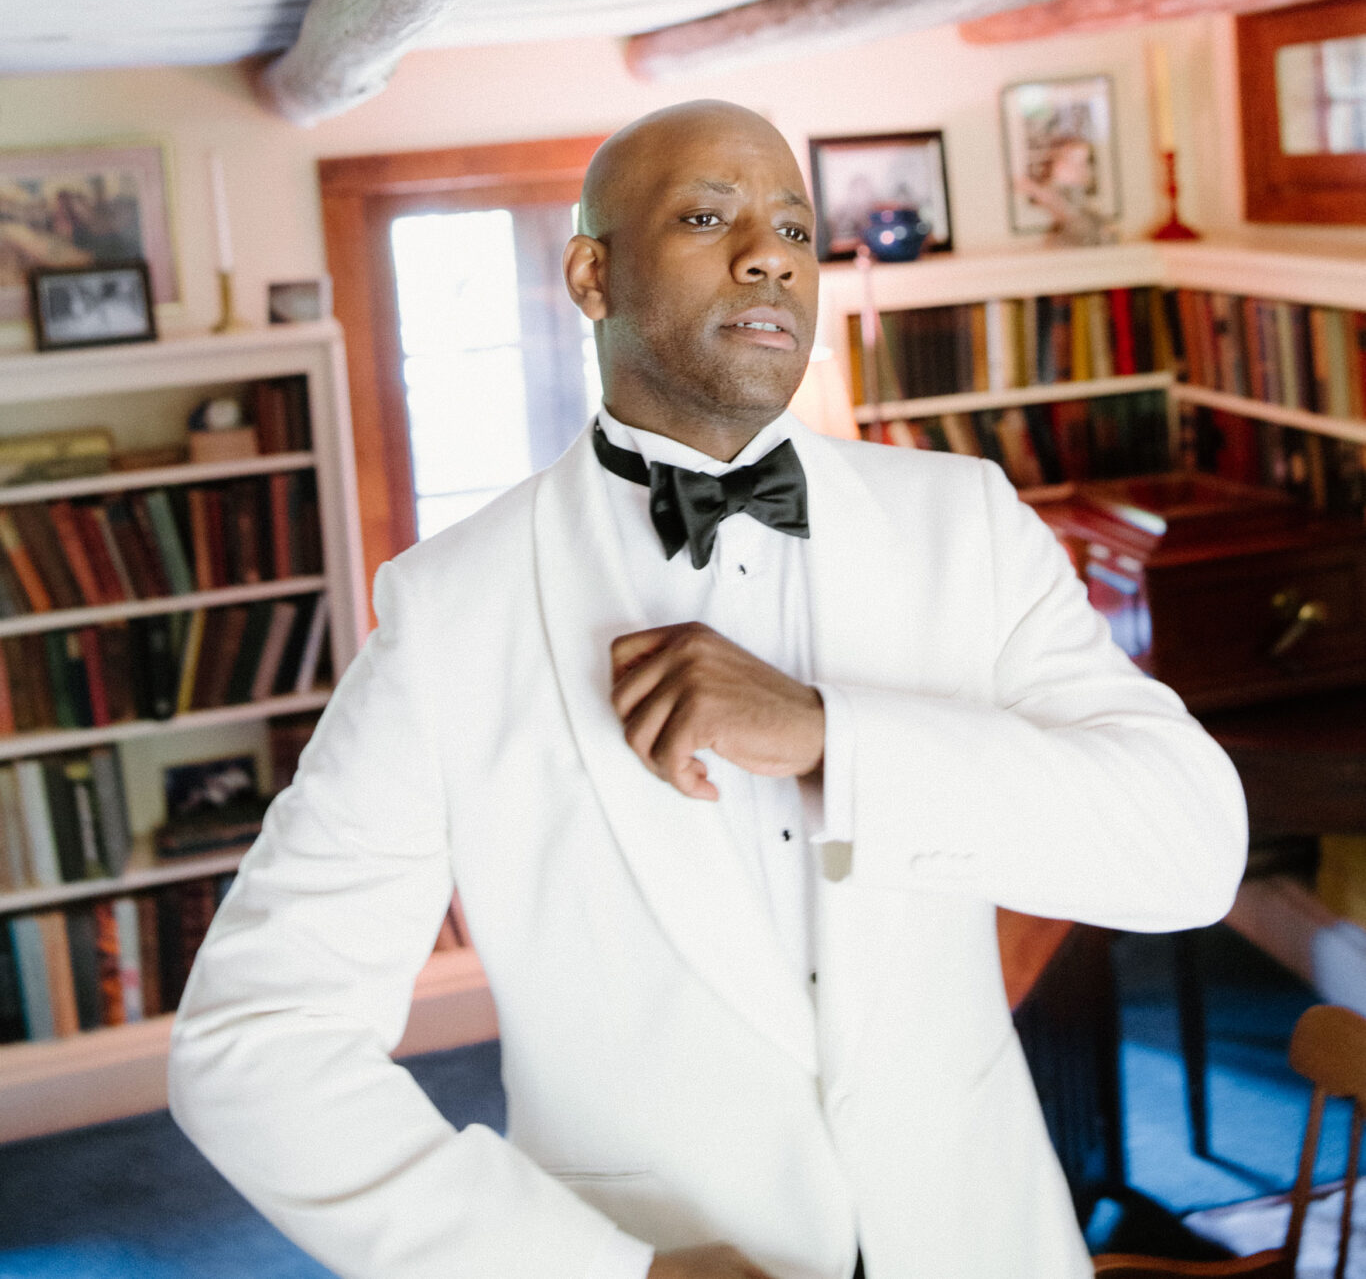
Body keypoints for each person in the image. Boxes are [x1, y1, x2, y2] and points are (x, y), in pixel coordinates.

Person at [168, 100, 1247, 1279]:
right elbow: (256, 1043)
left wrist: (830, 736)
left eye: (793, 225)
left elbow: (1190, 850)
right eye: (704, 215)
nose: (768, 252)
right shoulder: (449, 616)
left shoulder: (967, 524)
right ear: (592, 272)